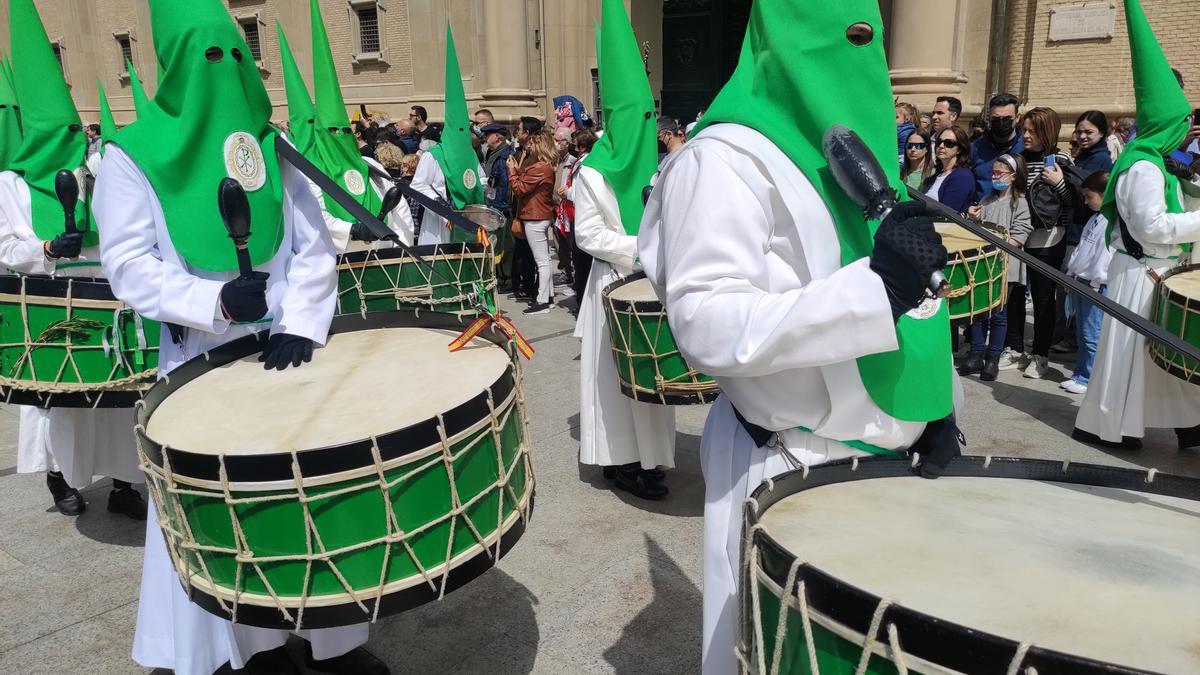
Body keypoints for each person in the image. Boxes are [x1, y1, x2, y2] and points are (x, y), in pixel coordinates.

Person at [641, 4, 960, 673]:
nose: (859, 58)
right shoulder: (722, 159)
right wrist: (874, 294)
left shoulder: (856, 145)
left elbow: (919, 299)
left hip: (894, 462)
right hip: (794, 463)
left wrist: (936, 405)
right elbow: (704, 322)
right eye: (843, 42)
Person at [92, 1, 387, 673]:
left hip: (288, 353)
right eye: (204, 56)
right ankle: (236, 647)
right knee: (219, 507)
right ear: (170, 68)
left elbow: (314, 246)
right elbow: (128, 264)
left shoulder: (271, 141)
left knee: (315, 493)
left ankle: (330, 641)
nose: (222, 70)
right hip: (200, 359)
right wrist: (214, 299)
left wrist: (302, 323)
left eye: (231, 51)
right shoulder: (130, 156)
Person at [2, 0, 146, 520]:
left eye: (73, 132)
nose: (70, 143)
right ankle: (59, 478)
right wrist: (43, 249)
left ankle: (126, 485)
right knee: (62, 404)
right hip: (50, 303)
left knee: (119, 401)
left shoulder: (97, 168)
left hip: (107, 297)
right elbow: (3, 250)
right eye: (57, 134)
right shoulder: (10, 187)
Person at [1075, 0, 1200, 452]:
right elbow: (1154, 227)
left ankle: (1188, 424)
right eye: (1183, 122)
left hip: (1154, 271)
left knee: (1157, 359)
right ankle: (1112, 427)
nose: (1187, 130)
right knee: (1134, 356)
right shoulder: (1143, 168)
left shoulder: (1155, 163)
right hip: (1142, 271)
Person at [574, 0, 676, 502]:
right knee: (615, 383)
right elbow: (589, 236)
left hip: (654, 283)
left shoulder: (659, 168)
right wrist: (644, 249)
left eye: (649, 114)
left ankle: (652, 457)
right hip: (613, 287)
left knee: (652, 378)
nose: (645, 124)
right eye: (635, 116)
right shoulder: (591, 171)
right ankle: (622, 461)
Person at [277, 4, 415, 251]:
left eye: (342, 130)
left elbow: (399, 210)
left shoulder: (370, 166)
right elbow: (310, 217)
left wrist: (404, 252)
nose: (339, 136)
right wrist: (351, 230)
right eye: (330, 132)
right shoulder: (311, 178)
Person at [1018, 106, 1078, 379]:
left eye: (1032, 131)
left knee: (1043, 299)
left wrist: (1060, 183)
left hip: (1048, 239)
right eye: (1024, 130)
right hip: (1018, 237)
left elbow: (1074, 203)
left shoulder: (1060, 160)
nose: (1026, 135)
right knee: (1015, 295)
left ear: (1047, 132)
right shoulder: (1018, 158)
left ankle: (1040, 355)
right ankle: (1014, 347)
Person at [412, 27, 485, 247]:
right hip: (440, 223)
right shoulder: (433, 156)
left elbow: (479, 178)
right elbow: (418, 186)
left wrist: (477, 194)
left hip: (467, 220)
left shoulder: (470, 154)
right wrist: (441, 208)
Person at [962, 154, 1032, 380]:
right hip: (985, 265)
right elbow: (976, 230)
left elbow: (1020, 233)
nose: (994, 177)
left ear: (1013, 176)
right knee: (978, 312)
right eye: (993, 172)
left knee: (999, 313)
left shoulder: (1020, 202)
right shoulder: (986, 200)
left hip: (1005, 265)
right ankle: (976, 354)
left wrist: (998, 245)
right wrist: (973, 219)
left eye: (999, 173)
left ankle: (992, 358)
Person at [1060, 171, 1114, 395]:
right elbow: (1083, 249)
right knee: (1083, 332)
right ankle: (1080, 373)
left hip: (1095, 285)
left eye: (1088, 196)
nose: (1085, 200)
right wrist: (1071, 273)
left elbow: (1105, 256)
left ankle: (1088, 377)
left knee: (1092, 334)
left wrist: (1096, 280)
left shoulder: (1110, 221)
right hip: (1081, 281)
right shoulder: (1095, 218)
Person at [508, 129, 558, 314]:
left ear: (540, 145)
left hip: (535, 217)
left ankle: (543, 301)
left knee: (542, 261)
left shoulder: (540, 167)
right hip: (539, 215)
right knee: (544, 259)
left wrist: (512, 171)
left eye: (532, 144)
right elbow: (527, 180)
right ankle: (549, 297)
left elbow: (519, 188)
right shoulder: (544, 166)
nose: (529, 146)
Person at [971, 92, 1024, 199]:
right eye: (996, 119)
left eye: (1007, 118)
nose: (1001, 123)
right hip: (980, 210)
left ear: (1017, 118)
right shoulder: (975, 148)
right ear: (989, 118)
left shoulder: (1026, 148)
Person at [566, 128, 597, 301]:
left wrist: (567, 193)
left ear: (582, 146)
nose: (573, 147)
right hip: (579, 217)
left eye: (575, 144)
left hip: (582, 218)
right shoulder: (583, 162)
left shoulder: (585, 165)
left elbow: (580, 194)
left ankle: (582, 301)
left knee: (582, 263)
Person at [923, 125, 975, 213]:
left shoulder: (962, 177)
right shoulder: (938, 174)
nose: (941, 146)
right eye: (939, 142)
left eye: (948, 143)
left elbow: (948, 212)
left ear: (959, 149)